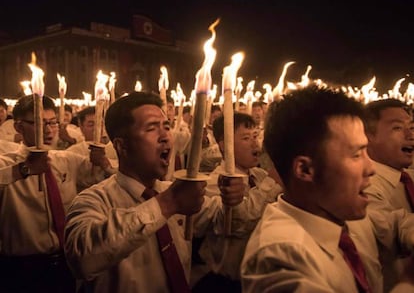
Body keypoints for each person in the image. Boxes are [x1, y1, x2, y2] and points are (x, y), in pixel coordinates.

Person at [64, 91, 254, 293]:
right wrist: (167, 205)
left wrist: (233, 200)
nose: (165, 137)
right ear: (122, 145)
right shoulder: (94, 199)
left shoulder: (172, 192)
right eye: (152, 129)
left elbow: (231, 223)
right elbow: (82, 258)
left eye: (167, 127)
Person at [241, 85, 384, 292]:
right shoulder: (281, 256)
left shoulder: (339, 219)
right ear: (305, 169)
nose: (371, 168)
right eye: (356, 155)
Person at [0, 94, 113, 293]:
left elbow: (106, 178)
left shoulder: (66, 160)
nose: (48, 130)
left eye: (52, 122)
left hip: (65, 264)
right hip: (22, 268)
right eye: (39, 122)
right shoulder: (7, 163)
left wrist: (102, 161)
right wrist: (24, 169)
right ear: (18, 127)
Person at [194, 112, 283, 292]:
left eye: (255, 136)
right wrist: (272, 182)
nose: (254, 143)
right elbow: (238, 222)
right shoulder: (215, 184)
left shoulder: (258, 176)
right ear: (224, 145)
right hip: (225, 283)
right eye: (245, 138)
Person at [363, 98, 414, 291]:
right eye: (397, 128)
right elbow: (392, 227)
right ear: (367, 136)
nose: (410, 135)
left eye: (412, 127)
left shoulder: (408, 177)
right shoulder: (365, 185)